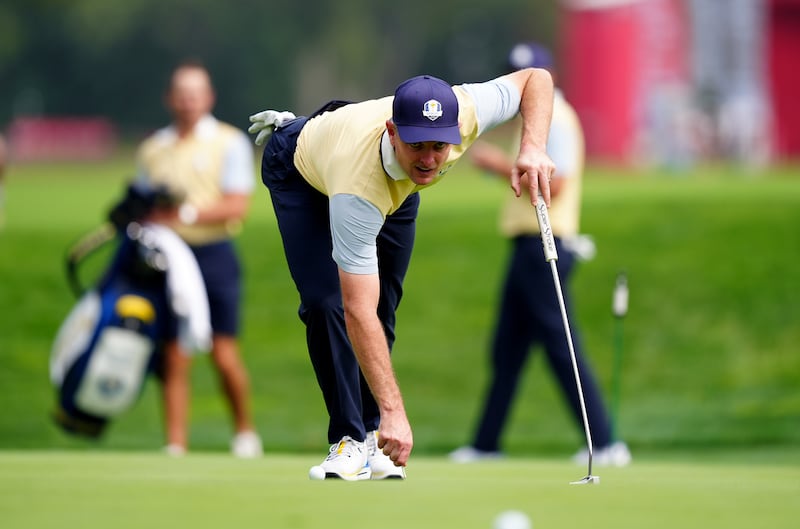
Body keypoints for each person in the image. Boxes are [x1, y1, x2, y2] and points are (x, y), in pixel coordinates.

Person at [248, 66, 556, 480]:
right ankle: (349, 439)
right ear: (393, 131)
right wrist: (398, 412)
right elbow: (357, 310)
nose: (429, 158)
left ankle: (373, 435)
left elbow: (536, 79)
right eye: (417, 145)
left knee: (386, 300)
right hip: (301, 171)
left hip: (392, 182)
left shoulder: (464, 112)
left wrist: (532, 146)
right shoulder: (356, 189)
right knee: (327, 303)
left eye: (438, 146)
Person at [448, 43, 631, 466]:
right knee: (507, 351)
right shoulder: (532, 124)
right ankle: (485, 444)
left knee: (562, 347)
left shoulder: (558, 120)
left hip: (545, 245)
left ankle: (604, 444)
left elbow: (558, 183)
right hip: (526, 246)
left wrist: (497, 166)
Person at [136, 61, 262, 458]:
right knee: (174, 354)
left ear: (208, 97)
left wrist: (184, 214)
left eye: (196, 94)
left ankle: (244, 433)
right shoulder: (154, 147)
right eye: (182, 94)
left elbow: (236, 206)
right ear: (170, 98)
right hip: (168, 259)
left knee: (223, 354)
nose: (188, 101)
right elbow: (142, 204)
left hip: (214, 255)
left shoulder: (228, 141)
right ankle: (175, 443)